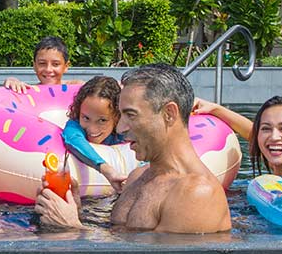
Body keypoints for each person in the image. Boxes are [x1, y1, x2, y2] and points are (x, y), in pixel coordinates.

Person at [35, 64, 231, 234]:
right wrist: (75, 212)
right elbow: (120, 239)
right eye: (121, 116)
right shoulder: (137, 177)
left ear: (169, 114)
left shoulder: (197, 194)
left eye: (131, 115)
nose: (120, 128)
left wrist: (72, 228)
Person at [61, 75, 128, 190]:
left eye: (102, 120)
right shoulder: (74, 126)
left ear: (117, 117)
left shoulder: (124, 133)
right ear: (79, 111)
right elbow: (73, 139)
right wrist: (107, 170)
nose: (92, 129)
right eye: (86, 118)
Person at [3, 36, 83, 93]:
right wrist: (12, 81)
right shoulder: (30, 92)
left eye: (55, 64)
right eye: (42, 63)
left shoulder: (75, 87)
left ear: (66, 66)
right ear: (34, 65)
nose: (48, 69)